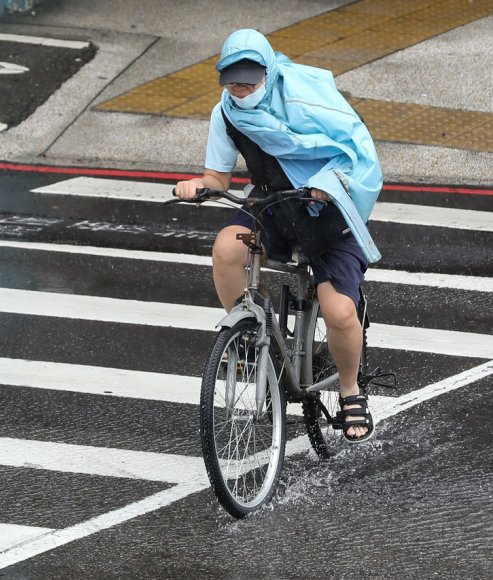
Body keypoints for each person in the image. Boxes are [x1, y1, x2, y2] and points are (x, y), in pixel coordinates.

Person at [174, 28, 383, 443]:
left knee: (338, 311)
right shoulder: (227, 113)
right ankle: (255, 334)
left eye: (250, 80)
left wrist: (329, 182)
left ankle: (349, 389)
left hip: (328, 210)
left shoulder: (304, 99)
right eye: (232, 80)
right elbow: (218, 175)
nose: (241, 88)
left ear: (268, 73)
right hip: (272, 205)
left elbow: (358, 153)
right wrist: (199, 185)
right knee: (226, 249)